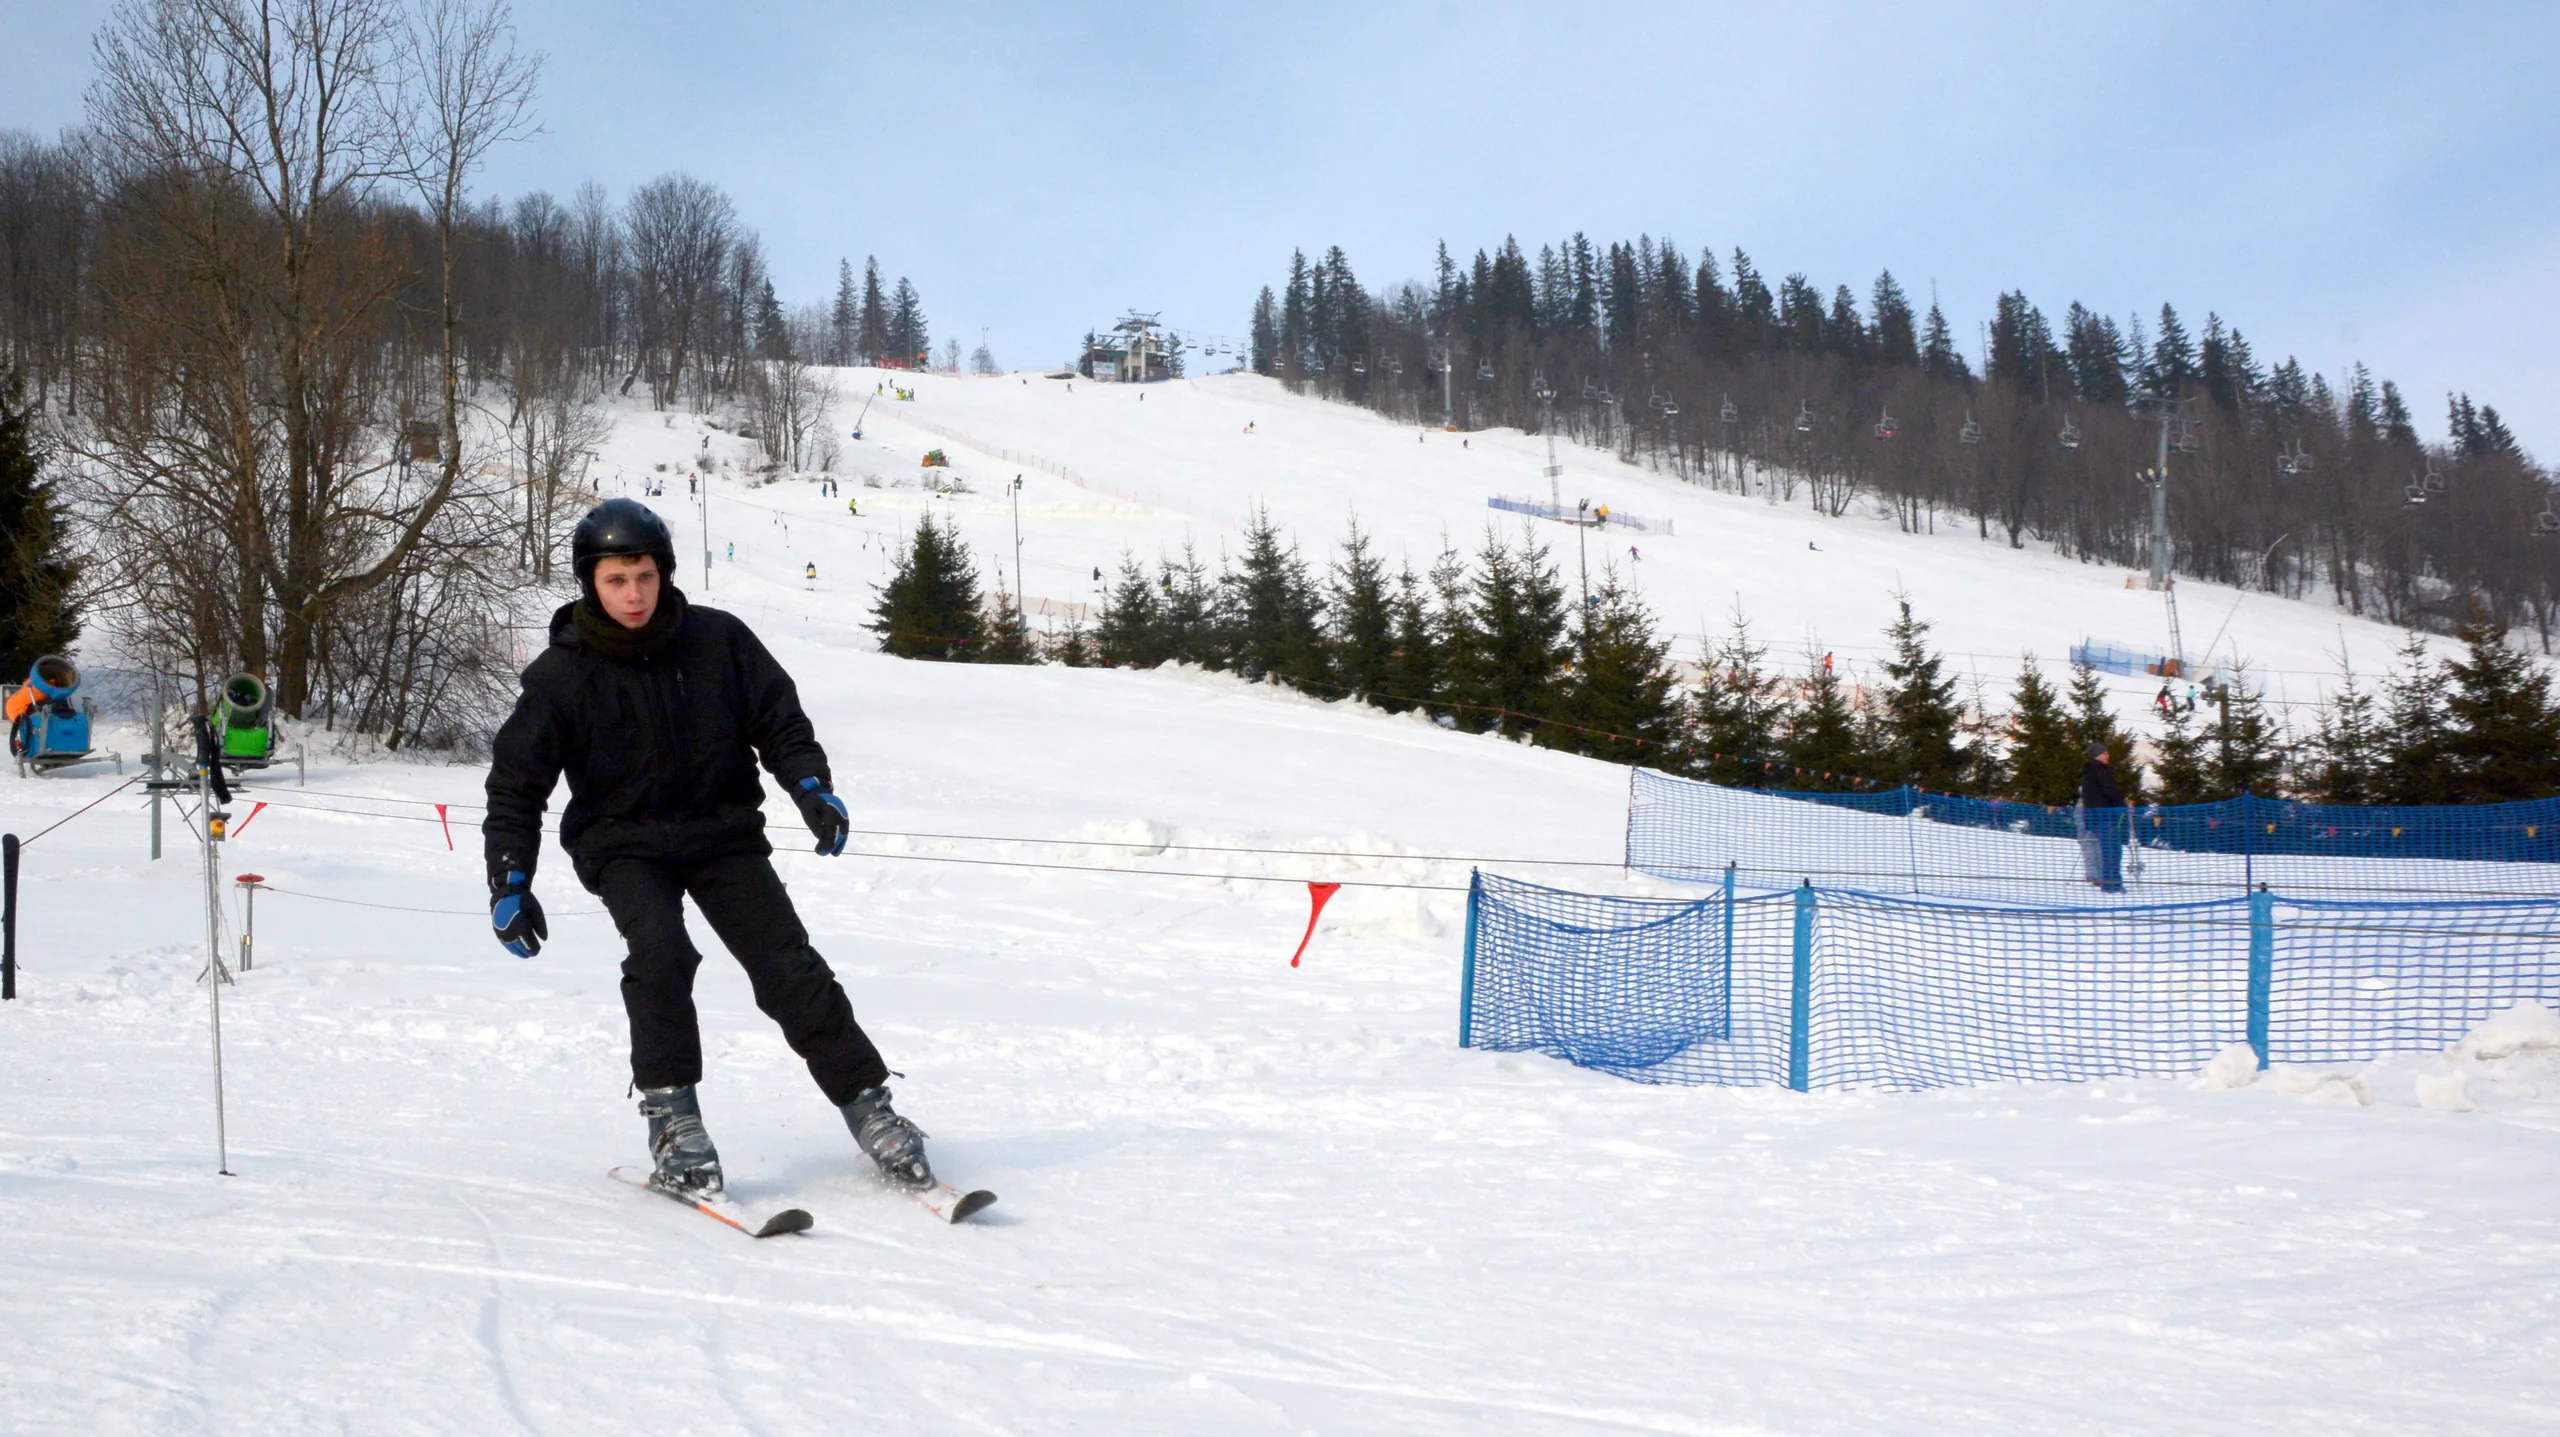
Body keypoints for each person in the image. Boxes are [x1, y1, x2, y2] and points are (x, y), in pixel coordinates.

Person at [483, 499, 935, 1200]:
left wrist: (811, 787)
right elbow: (517, 785)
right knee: (661, 954)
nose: (634, 593)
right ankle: (674, 1122)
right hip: (623, 844)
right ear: (590, 584)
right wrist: (510, 878)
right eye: (616, 580)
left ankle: (869, 1105)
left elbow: (779, 720)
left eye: (644, 575)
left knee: (787, 965)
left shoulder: (718, 641)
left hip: (721, 834)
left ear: (663, 572)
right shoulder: (560, 676)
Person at [2078, 741, 2128, 893]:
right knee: (2112, 851)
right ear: (2097, 756)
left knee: (2109, 851)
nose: (2108, 755)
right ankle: (2112, 885)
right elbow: (2110, 791)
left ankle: (2110, 883)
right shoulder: (2099, 771)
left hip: (2097, 818)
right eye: (2105, 753)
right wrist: (2122, 805)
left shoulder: (2091, 771)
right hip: (2104, 817)